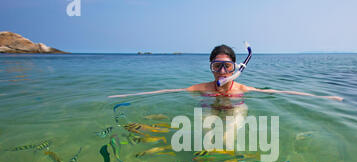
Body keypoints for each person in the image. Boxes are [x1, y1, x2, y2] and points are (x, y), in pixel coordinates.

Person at [108, 44, 344, 101]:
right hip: (209, 106)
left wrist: (324, 97)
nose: (222, 71)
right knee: (207, 134)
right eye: (216, 66)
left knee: (228, 136)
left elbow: (283, 91)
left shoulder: (243, 89)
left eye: (227, 66)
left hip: (235, 109)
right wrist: (123, 96)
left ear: (236, 68)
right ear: (210, 67)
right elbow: (167, 90)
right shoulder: (200, 88)